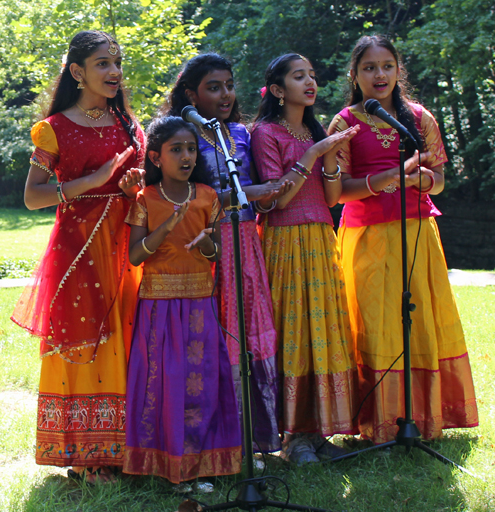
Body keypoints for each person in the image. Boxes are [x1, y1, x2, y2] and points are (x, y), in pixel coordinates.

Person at [328, 35, 479, 444]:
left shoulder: (420, 117)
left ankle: (423, 416)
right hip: (366, 236)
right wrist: (387, 179)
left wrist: (419, 179)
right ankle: (377, 421)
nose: (379, 75)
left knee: (419, 321)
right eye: (369, 68)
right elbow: (337, 191)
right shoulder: (343, 123)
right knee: (376, 324)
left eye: (387, 66)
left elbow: (441, 181)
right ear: (354, 75)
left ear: (399, 71)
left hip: (417, 233)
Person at [10, 30, 146, 483]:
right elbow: (32, 198)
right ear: (77, 72)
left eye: (117, 62)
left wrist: (131, 187)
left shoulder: (129, 123)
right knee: (88, 341)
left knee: (128, 337)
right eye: (103, 63)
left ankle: (131, 447)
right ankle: (88, 455)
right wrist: (93, 180)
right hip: (79, 251)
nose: (114, 72)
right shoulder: (55, 128)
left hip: (128, 243)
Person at [163, 53, 291, 453]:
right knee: (210, 336)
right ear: (190, 94)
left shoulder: (239, 132)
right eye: (213, 87)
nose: (225, 94)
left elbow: (254, 189)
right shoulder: (181, 137)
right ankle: (211, 440)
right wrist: (245, 195)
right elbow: (179, 197)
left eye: (230, 85)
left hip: (246, 244)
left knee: (248, 331)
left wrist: (268, 195)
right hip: (202, 244)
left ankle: (253, 437)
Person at [250, 53, 360, 464]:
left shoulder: (313, 128)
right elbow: (276, 197)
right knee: (293, 330)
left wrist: (329, 155)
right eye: (300, 77)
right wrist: (314, 153)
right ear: (278, 90)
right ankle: (291, 436)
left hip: (320, 236)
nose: (310, 82)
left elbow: (331, 199)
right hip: (284, 241)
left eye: (312, 75)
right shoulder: (265, 133)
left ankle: (315, 432)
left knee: (323, 330)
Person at [123, 116, 242, 491]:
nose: (187, 155)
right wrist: (166, 227)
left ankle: (200, 464)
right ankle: (169, 467)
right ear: (156, 157)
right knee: (166, 383)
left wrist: (206, 243)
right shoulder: (146, 199)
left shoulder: (207, 196)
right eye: (177, 149)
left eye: (191, 148)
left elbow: (216, 253)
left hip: (199, 305)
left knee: (203, 382)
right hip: (158, 306)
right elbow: (136, 257)